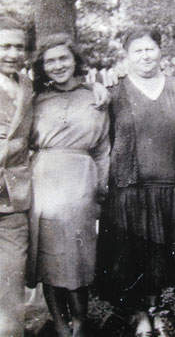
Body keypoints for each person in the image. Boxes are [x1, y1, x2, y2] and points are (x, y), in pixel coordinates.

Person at [96, 27, 175, 337]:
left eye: (150, 49)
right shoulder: (114, 92)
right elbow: (102, 141)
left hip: (173, 189)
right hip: (130, 191)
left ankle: (165, 315)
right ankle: (141, 317)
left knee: (171, 258)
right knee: (133, 258)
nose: (145, 55)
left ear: (160, 51)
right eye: (137, 51)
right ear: (127, 56)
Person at [27, 34, 110, 337]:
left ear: (75, 60)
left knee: (77, 258)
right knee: (48, 258)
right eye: (50, 60)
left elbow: (103, 150)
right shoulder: (36, 98)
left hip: (81, 182)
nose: (58, 65)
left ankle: (80, 322)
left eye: (64, 58)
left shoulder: (96, 96)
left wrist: (100, 191)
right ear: (42, 66)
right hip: (44, 182)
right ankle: (60, 325)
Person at [0, 17, 33, 337]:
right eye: (5, 46)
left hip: (14, 197)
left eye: (19, 47)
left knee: (11, 281)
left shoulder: (27, 84)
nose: (12, 53)